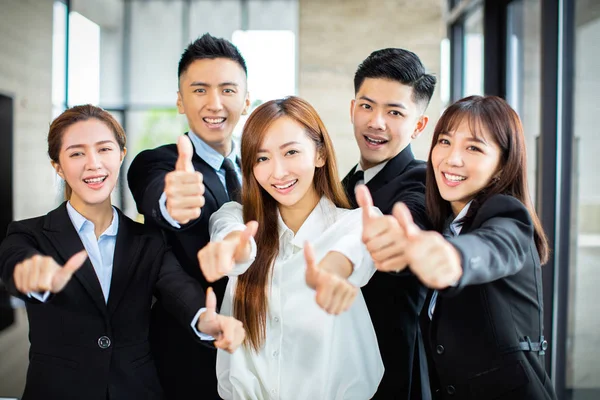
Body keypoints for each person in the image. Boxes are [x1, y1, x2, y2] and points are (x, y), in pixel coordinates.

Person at [0, 105, 245, 400]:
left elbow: (177, 287)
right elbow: (16, 265)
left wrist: (206, 319)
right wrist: (30, 275)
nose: (93, 164)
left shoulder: (148, 238)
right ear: (58, 166)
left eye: (104, 149)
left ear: (121, 155)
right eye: (77, 153)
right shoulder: (29, 234)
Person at [359, 95, 557, 399]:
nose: (452, 158)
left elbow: (491, 249)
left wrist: (453, 259)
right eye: (445, 142)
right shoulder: (445, 223)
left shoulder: (507, 214)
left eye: (474, 148)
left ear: (504, 164)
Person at [197, 96, 384, 399]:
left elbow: (356, 252)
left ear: (320, 154)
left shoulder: (356, 223)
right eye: (262, 158)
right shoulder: (235, 217)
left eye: (291, 152)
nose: (278, 172)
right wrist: (235, 250)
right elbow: (230, 237)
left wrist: (334, 268)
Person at [127, 33, 250, 398]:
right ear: (180, 101)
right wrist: (173, 203)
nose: (215, 103)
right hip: (189, 354)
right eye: (199, 90)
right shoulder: (159, 163)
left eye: (228, 90)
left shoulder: (258, 171)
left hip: (255, 351)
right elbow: (159, 194)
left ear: (245, 101)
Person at [342, 47, 436, 399]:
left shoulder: (424, 181)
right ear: (353, 109)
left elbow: (410, 220)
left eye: (395, 112)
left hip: (394, 377)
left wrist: (393, 237)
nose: (376, 122)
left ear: (419, 125)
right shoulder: (347, 184)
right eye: (367, 106)